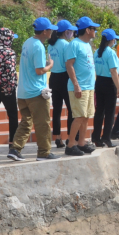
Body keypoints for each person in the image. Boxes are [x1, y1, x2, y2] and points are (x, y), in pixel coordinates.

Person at [9, 18, 58, 162]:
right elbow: (39, 70)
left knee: (26, 121)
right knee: (43, 123)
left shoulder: (28, 42)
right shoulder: (38, 46)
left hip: (23, 92)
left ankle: (15, 149)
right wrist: (50, 65)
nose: (52, 31)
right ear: (45, 31)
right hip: (35, 93)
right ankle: (44, 153)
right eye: (50, 29)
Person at [64, 16, 99, 157]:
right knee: (79, 116)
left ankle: (82, 143)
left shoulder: (87, 45)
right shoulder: (75, 44)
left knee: (86, 116)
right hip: (79, 87)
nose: (95, 31)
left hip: (89, 86)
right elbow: (69, 65)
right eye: (94, 29)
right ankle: (71, 144)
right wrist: (76, 85)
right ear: (87, 30)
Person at [48, 20, 77, 149]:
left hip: (53, 77)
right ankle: (71, 136)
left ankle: (58, 137)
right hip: (64, 77)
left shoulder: (50, 45)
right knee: (71, 109)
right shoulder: (66, 44)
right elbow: (69, 63)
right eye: (69, 30)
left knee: (57, 109)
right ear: (66, 32)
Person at [92, 29, 119, 148]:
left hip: (99, 81)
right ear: (111, 40)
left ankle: (96, 137)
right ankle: (106, 137)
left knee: (99, 111)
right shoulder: (110, 53)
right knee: (109, 112)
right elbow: (114, 71)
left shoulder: (97, 52)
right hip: (109, 83)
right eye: (114, 39)